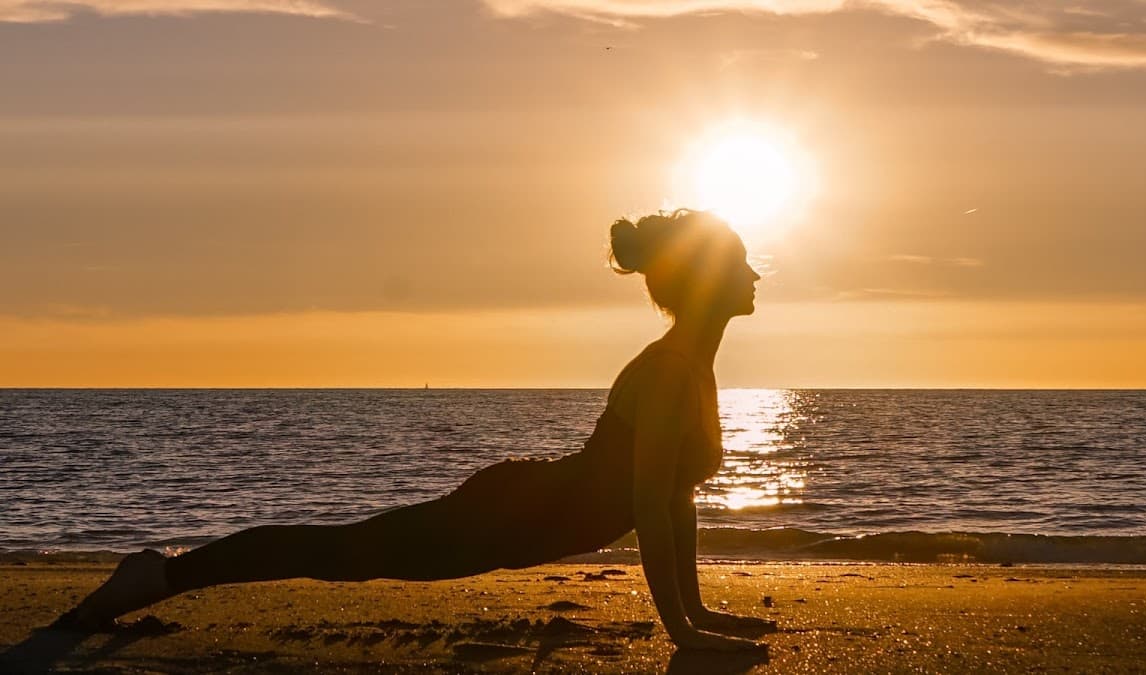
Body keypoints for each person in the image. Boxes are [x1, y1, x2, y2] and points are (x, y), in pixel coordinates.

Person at [59, 209, 771, 651]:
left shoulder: (692, 368)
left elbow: (675, 496)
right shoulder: (672, 370)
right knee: (344, 552)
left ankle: (161, 573)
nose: (756, 273)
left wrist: (702, 610)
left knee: (348, 550)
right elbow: (647, 506)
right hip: (509, 513)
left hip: (529, 513)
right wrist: (682, 633)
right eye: (741, 262)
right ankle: (159, 575)